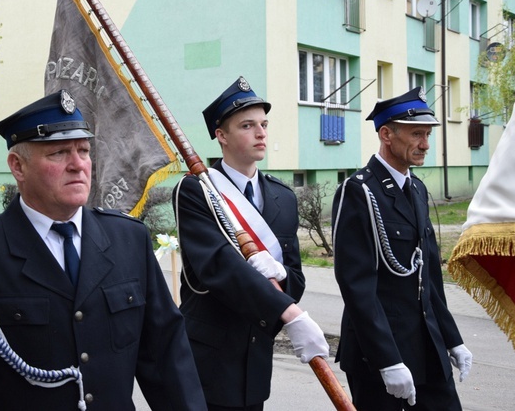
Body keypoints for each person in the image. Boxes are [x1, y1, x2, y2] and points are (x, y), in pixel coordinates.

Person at [0, 90, 205, 410]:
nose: (78, 165)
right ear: (18, 166)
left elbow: (168, 361)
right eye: (59, 153)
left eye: (83, 150)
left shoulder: (129, 239)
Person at [172, 76, 329, 410]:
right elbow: (215, 267)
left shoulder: (283, 198)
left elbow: (295, 280)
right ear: (221, 135)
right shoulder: (197, 191)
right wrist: (290, 314)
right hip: (207, 359)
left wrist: (281, 273)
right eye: (247, 125)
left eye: (264, 124)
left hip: (255, 357)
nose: (261, 133)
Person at [331, 87, 473, 410]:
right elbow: (357, 288)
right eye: (416, 134)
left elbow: (431, 279)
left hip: (427, 346)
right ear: (386, 134)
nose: (425, 144)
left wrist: (452, 339)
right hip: (380, 355)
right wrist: (387, 360)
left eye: (427, 134)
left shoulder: (418, 189)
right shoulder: (359, 192)